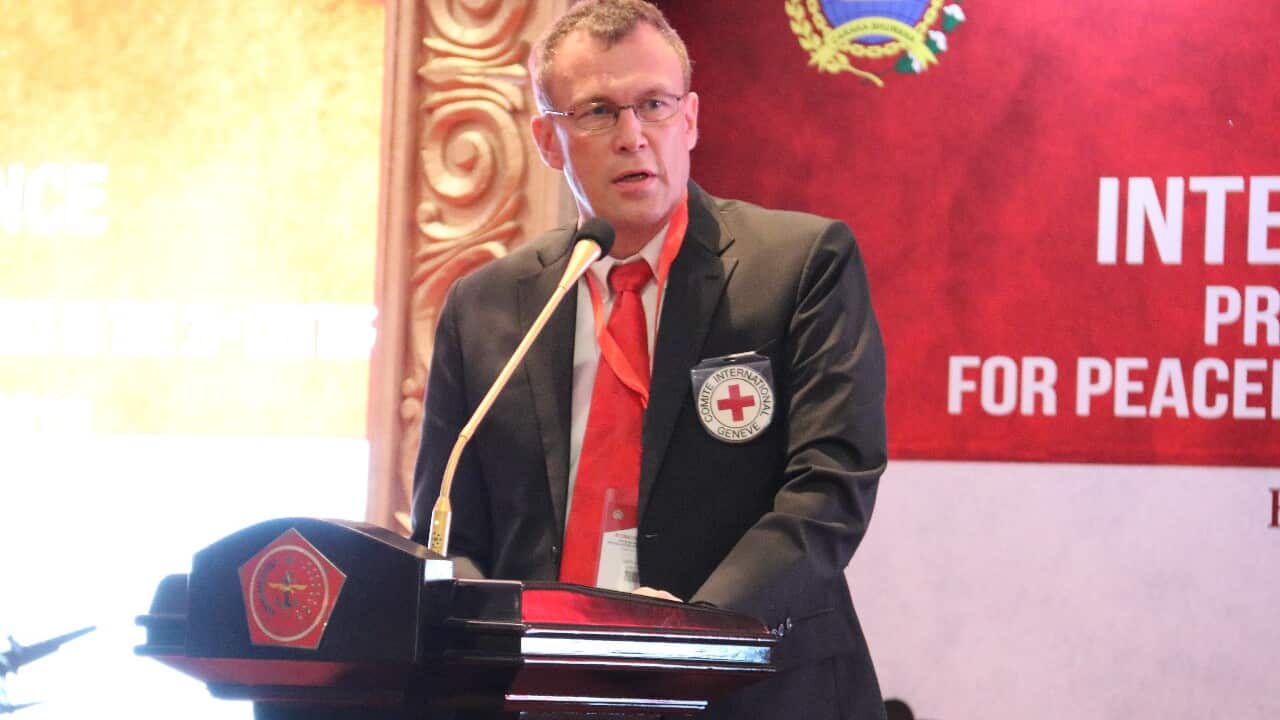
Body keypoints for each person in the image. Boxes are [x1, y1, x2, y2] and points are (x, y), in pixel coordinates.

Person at [411, 1, 887, 718]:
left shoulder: (796, 267)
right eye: (598, 111)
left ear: (689, 119)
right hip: (542, 694)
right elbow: (447, 528)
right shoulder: (489, 305)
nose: (633, 137)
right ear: (547, 138)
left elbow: (828, 494)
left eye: (654, 105)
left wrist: (687, 636)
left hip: (750, 687)